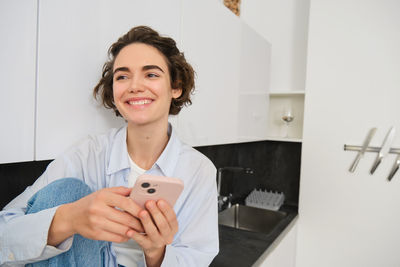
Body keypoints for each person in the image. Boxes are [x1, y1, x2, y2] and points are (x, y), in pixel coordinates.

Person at [0, 26, 219, 267]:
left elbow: (198, 258)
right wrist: (70, 219)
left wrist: (157, 252)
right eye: (122, 76)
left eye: (151, 74)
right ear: (114, 92)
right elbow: (4, 232)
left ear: (175, 87)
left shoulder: (198, 170)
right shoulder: (87, 154)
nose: (134, 86)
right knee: (66, 191)